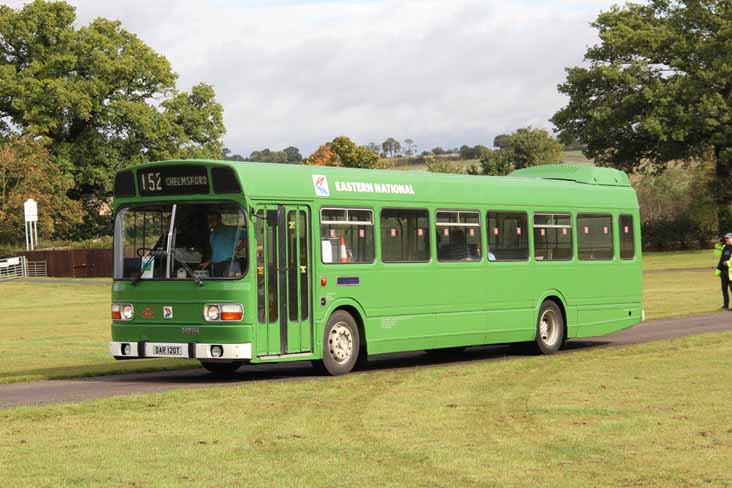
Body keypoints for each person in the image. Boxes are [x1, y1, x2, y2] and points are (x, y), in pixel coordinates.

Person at [200, 211, 246, 277]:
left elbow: (248, 236)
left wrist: (238, 248)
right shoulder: (212, 234)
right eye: (209, 220)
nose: (210, 222)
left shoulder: (230, 230)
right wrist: (208, 262)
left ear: (219, 220)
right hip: (216, 266)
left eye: (212, 220)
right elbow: (216, 252)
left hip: (230, 265)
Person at [717, 233, 732, 309]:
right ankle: (725, 305)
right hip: (724, 272)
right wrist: (718, 269)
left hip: (731, 272)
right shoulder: (725, 247)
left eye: (728, 238)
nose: (726, 239)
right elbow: (719, 256)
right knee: (724, 289)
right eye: (725, 238)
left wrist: (727, 263)